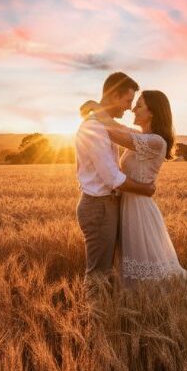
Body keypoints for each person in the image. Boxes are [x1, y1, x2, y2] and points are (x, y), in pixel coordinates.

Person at [82, 90, 187, 294]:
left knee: (146, 264)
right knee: (133, 265)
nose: (132, 109)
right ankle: (141, 308)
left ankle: (174, 305)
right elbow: (119, 128)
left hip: (139, 210)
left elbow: (113, 132)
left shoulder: (156, 141)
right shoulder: (142, 137)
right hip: (127, 206)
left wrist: (97, 109)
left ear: (152, 112)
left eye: (138, 105)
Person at [75, 72, 155, 299]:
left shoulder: (106, 126)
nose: (130, 108)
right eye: (127, 101)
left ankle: (106, 318)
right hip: (98, 206)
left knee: (110, 270)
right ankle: (94, 325)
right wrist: (147, 190)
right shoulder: (93, 128)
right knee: (98, 274)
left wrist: (95, 107)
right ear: (112, 96)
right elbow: (112, 178)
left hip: (108, 204)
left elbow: (140, 137)